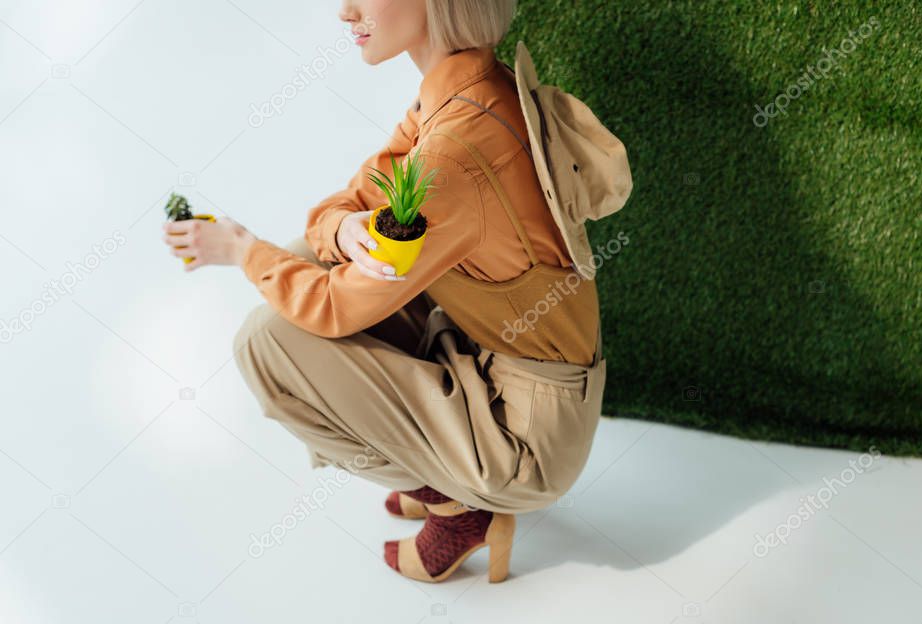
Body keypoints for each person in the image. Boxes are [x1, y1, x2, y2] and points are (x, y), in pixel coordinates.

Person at [160, 0, 621, 584]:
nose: (345, 11)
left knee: (267, 344)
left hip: (525, 440)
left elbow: (333, 308)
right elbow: (343, 203)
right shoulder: (463, 91)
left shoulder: (454, 153)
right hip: (484, 351)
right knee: (309, 261)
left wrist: (240, 248)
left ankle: (460, 508)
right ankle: (445, 476)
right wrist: (339, 228)